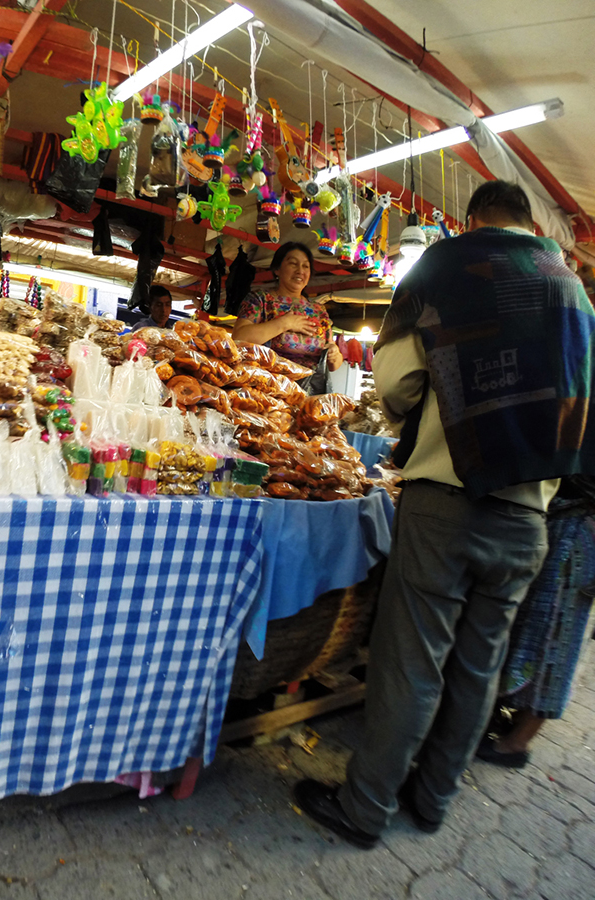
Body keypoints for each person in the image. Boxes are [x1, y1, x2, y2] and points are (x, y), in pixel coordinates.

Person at [293, 180, 595, 849]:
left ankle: (366, 808)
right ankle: (432, 800)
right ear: (529, 221)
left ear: (472, 218)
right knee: (479, 667)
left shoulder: (449, 263)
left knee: (413, 663)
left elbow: (396, 383)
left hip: (448, 501)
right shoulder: (573, 290)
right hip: (530, 517)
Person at [477, 476, 595, 767]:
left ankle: (517, 744)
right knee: (535, 630)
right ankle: (514, 719)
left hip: (582, 537)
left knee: (557, 643)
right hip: (565, 524)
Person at [232, 241, 344, 393]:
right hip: (265, 390)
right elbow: (239, 337)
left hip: (307, 394)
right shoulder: (260, 300)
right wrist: (284, 323)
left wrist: (334, 354)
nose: (300, 271)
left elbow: (334, 364)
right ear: (277, 269)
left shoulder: (319, 311)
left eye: (305, 266)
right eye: (293, 264)